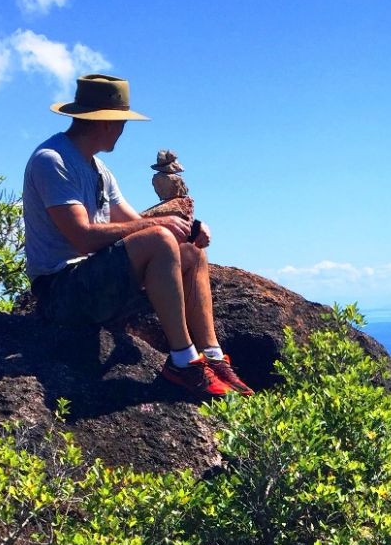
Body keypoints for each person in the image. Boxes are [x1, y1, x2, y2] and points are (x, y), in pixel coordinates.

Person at [21, 73, 251, 397]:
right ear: (107, 122)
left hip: (96, 281)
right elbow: (83, 238)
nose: (123, 130)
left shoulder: (99, 170)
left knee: (192, 253)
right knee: (158, 239)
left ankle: (211, 356)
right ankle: (183, 363)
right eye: (122, 122)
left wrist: (189, 232)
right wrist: (158, 229)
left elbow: (131, 223)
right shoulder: (53, 161)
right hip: (61, 292)